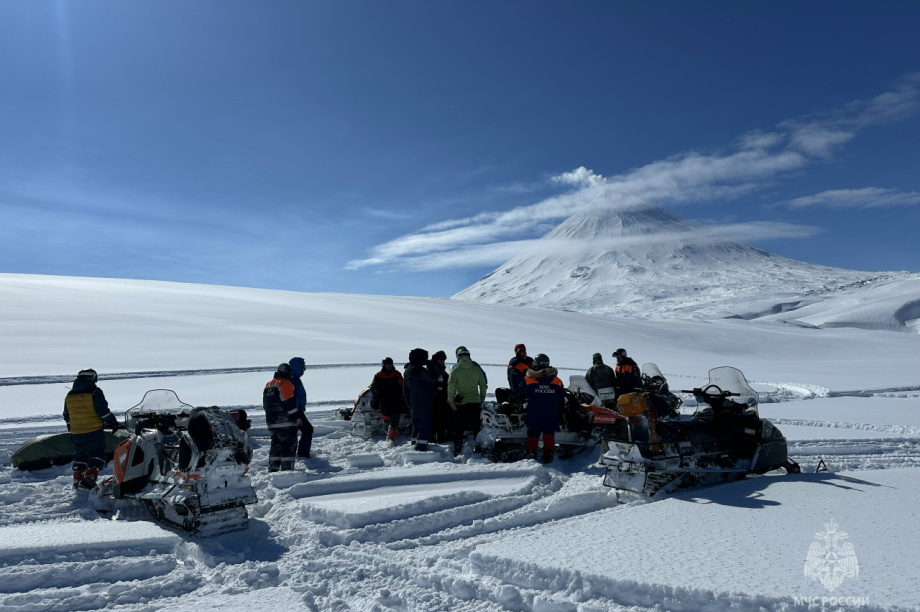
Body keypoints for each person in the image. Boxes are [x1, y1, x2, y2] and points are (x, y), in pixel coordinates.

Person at [63, 368, 118, 489]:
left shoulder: (70, 395)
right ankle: (89, 479)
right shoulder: (94, 392)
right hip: (93, 430)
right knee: (97, 453)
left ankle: (78, 478)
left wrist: (71, 427)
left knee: (80, 455)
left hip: (76, 432)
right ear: (92, 378)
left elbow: (66, 414)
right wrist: (112, 422)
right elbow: (102, 411)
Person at [519, 354, 566, 464]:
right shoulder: (556, 380)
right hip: (551, 412)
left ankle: (531, 453)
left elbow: (521, 391)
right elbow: (561, 398)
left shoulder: (529, 379)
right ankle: (548, 453)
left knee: (533, 432)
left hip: (534, 411)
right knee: (549, 432)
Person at [448, 346, 487, 457]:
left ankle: (457, 448)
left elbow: (450, 387)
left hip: (461, 403)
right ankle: (479, 448)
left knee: (459, 426)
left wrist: (451, 401)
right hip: (475, 402)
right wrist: (481, 398)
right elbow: (483, 385)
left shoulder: (455, 369)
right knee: (476, 426)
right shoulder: (476, 368)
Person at [263, 362, 300, 472]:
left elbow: (265, 405)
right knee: (289, 447)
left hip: (272, 422)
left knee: (275, 447)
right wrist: (296, 417)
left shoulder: (268, 385)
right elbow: (289, 404)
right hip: (286, 422)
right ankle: (287, 472)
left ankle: (273, 470)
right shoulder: (285, 384)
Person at [403, 348, 437, 451]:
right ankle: (421, 447)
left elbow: (405, 390)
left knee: (416, 425)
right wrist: (431, 368)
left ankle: (414, 444)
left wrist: (409, 404)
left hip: (414, 402)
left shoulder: (407, 370)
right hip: (424, 401)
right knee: (424, 425)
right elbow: (432, 380)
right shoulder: (420, 371)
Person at [370, 357, 406, 442]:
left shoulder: (397, 374)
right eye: (387, 365)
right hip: (384, 400)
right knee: (386, 417)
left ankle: (393, 435)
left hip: (395, 399)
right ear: (384, 365)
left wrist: (401, 395)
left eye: (390, 365)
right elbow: (373, 387)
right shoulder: (378, 375)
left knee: (395, 417)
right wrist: (377, 393)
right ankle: (388, 432)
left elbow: (402, 385)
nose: (389, 366)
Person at [289, 357, 314, 459]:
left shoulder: (293, 379)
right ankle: (303, 454)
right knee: (308, 430)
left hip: (295, 410)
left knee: (294, 431)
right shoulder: (293, 380)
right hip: (296, 411)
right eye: (303, 367)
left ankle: (293, 453)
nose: (304, 370)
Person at [430, 350, 453, 445]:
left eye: (443, 359)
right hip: (436, 398)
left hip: (442, 397)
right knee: (438, 419)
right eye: (440, 359)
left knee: (441, 419)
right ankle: (438, 438)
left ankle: (439, 437)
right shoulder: (433, 370)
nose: (442, 361)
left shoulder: (441, 370)